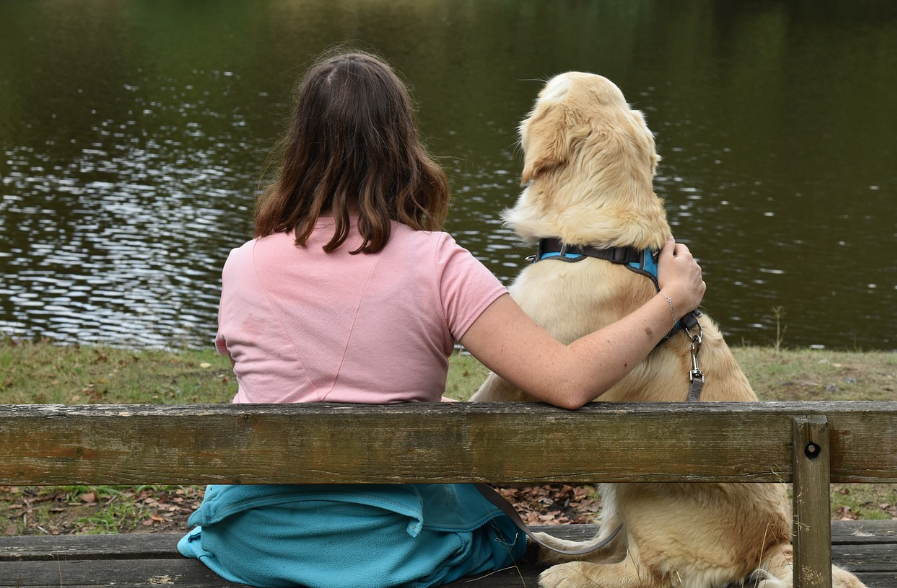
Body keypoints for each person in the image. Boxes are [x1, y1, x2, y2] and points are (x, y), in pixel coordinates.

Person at [178, 50, 705, 588]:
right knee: (498, 525)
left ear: (300, 146)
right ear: (400, 144)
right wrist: (672, 300)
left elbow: (287, 378)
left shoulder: (243, 263)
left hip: (252, 542)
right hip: (396, 550)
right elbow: (567, 382)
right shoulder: (438, 262)